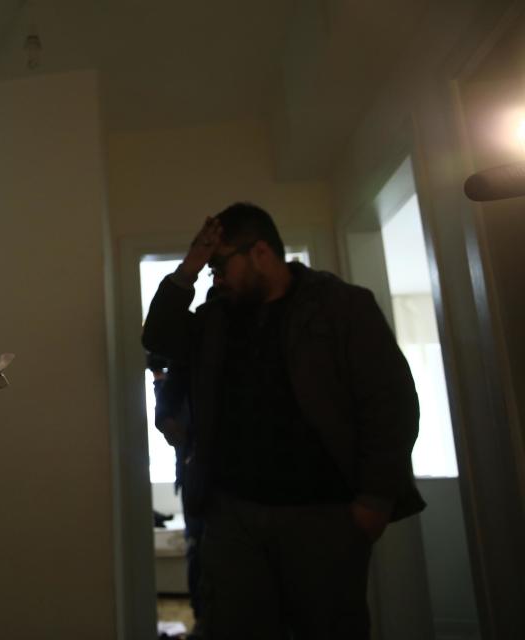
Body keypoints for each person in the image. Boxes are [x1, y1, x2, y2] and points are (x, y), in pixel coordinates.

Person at [141, 202, 424, 640]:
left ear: (260, 253)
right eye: (210, 268)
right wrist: (191, 264)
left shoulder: (342, 306)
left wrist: (376, 499)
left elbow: (390, 403)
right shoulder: (216, 318)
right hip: (232, 513)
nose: (216, 278)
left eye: (221, 265)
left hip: (323, 515)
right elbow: (158, 337)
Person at [147, 354, 206, 638]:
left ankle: (205, 622)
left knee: (199, 556)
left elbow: (173, 429)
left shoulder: (195, 388)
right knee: (198, 556)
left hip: (199, 482)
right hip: (194, 480)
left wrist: (159, 378)